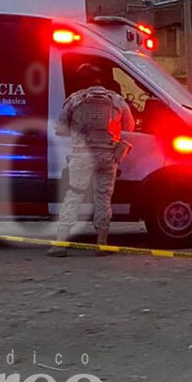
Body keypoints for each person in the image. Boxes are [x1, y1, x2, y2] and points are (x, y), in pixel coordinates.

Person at [49, 64, 135, 257]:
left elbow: (60, 128)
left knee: (73, 196)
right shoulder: (116, 100)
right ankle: (102, 242)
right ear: (100, 80)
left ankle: (60, 244)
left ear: (81, 81)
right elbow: (129, 126)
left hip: (82, 156)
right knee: (103, 198)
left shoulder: (75, 100)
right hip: (107, 156)